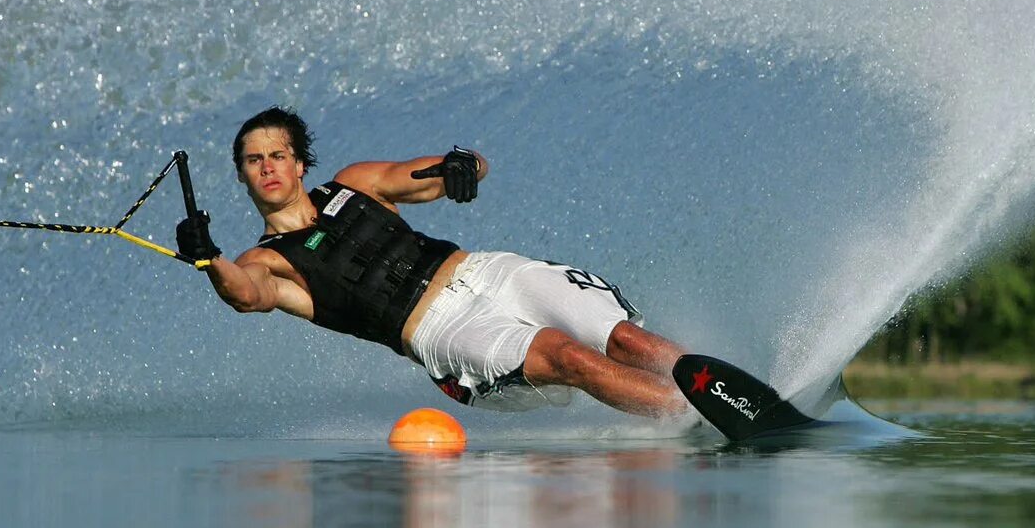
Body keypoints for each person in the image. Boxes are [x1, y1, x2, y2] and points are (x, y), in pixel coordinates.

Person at [177, 106, 690, 418]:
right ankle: (690, 417)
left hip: (482, 271)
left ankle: (723, 390)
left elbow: (446, 171)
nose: (268, 166)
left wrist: (465, 166)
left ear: (299, 163)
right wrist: (210, 258)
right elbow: (246, 294)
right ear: (241, 175)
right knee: (569, 357)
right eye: (254, 160)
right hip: (441, 330)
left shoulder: (356, 182)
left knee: (623, 338)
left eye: (277, 155)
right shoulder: (266, 259)